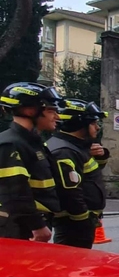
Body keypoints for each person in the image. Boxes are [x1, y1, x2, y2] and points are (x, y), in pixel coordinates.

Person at [0, 82, 64, 241]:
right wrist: (37, 226)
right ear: (30, 110)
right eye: (51, 111)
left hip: (32, 224)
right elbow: (15, 191)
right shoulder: (10, 144)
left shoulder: (32, 143)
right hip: (19, 227)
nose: (57, 117)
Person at [47, 99, 109, 248]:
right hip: (74, 223)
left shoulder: (77, 146)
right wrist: (83, 219)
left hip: (78, 222)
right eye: (93, 123)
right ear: (80, 124)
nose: (97, 127)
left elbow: (91, 175)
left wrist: (101, 156)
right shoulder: (65, 151)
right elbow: (70, 191)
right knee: (72, 263)